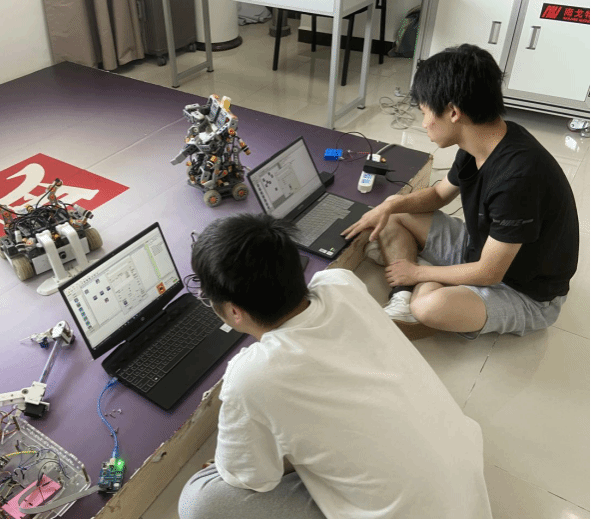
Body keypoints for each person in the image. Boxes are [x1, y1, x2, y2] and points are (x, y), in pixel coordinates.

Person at [179, 213, 492, 518]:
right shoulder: (340, 282)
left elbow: (250, 478)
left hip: (403, 511)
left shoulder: (251, 375)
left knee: (200, 499)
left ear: (234, 311)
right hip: (461, 476)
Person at [343, 44, 579, 341]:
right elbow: (440, 194)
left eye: (425, 112)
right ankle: (404, 293)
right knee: (395, 209)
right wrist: (388, 206)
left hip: (524, 290)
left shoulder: (518, 179)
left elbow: (490, 273)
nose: (424, 123)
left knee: (429, 306)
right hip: (481, 248)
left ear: (453, 112)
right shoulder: (482, 139)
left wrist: (418, 273)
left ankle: (420, 282)